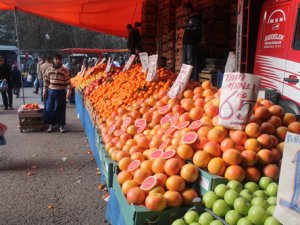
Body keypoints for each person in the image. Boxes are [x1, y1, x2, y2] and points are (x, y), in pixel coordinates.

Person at [43, 54, 71, 133]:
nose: (57, 61)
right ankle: (50, 125)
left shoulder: (65, 70)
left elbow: (68, 82)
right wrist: (44, 90)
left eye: (59, 59)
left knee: (60, 108)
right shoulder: (49, 70)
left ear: (61, 60)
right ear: (54, 60)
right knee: (50, 108)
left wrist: (69, 90)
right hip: (51, 92)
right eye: (56, 59)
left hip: (61, 92)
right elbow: (46, 81)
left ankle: (61, 126)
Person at [182, 2, 202, 81]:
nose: (184, 12)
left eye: (185, 10)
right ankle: (185, 79)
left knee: (191, 61)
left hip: (191, 42)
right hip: (186, 42)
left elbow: (198, 31)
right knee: (184, 61)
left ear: (189, 9)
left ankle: (192, 79)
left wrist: (196, 41)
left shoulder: (195, 18)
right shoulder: (187, 18)